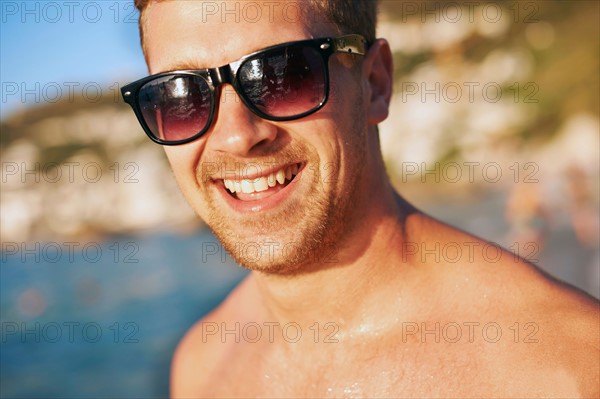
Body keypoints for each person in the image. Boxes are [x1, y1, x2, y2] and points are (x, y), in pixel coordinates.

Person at [121, 1, 599, 397]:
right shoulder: (201, 366)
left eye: (283, 73)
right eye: (179, 96)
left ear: (374, 84)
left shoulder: (567, 366)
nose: (235, 136)